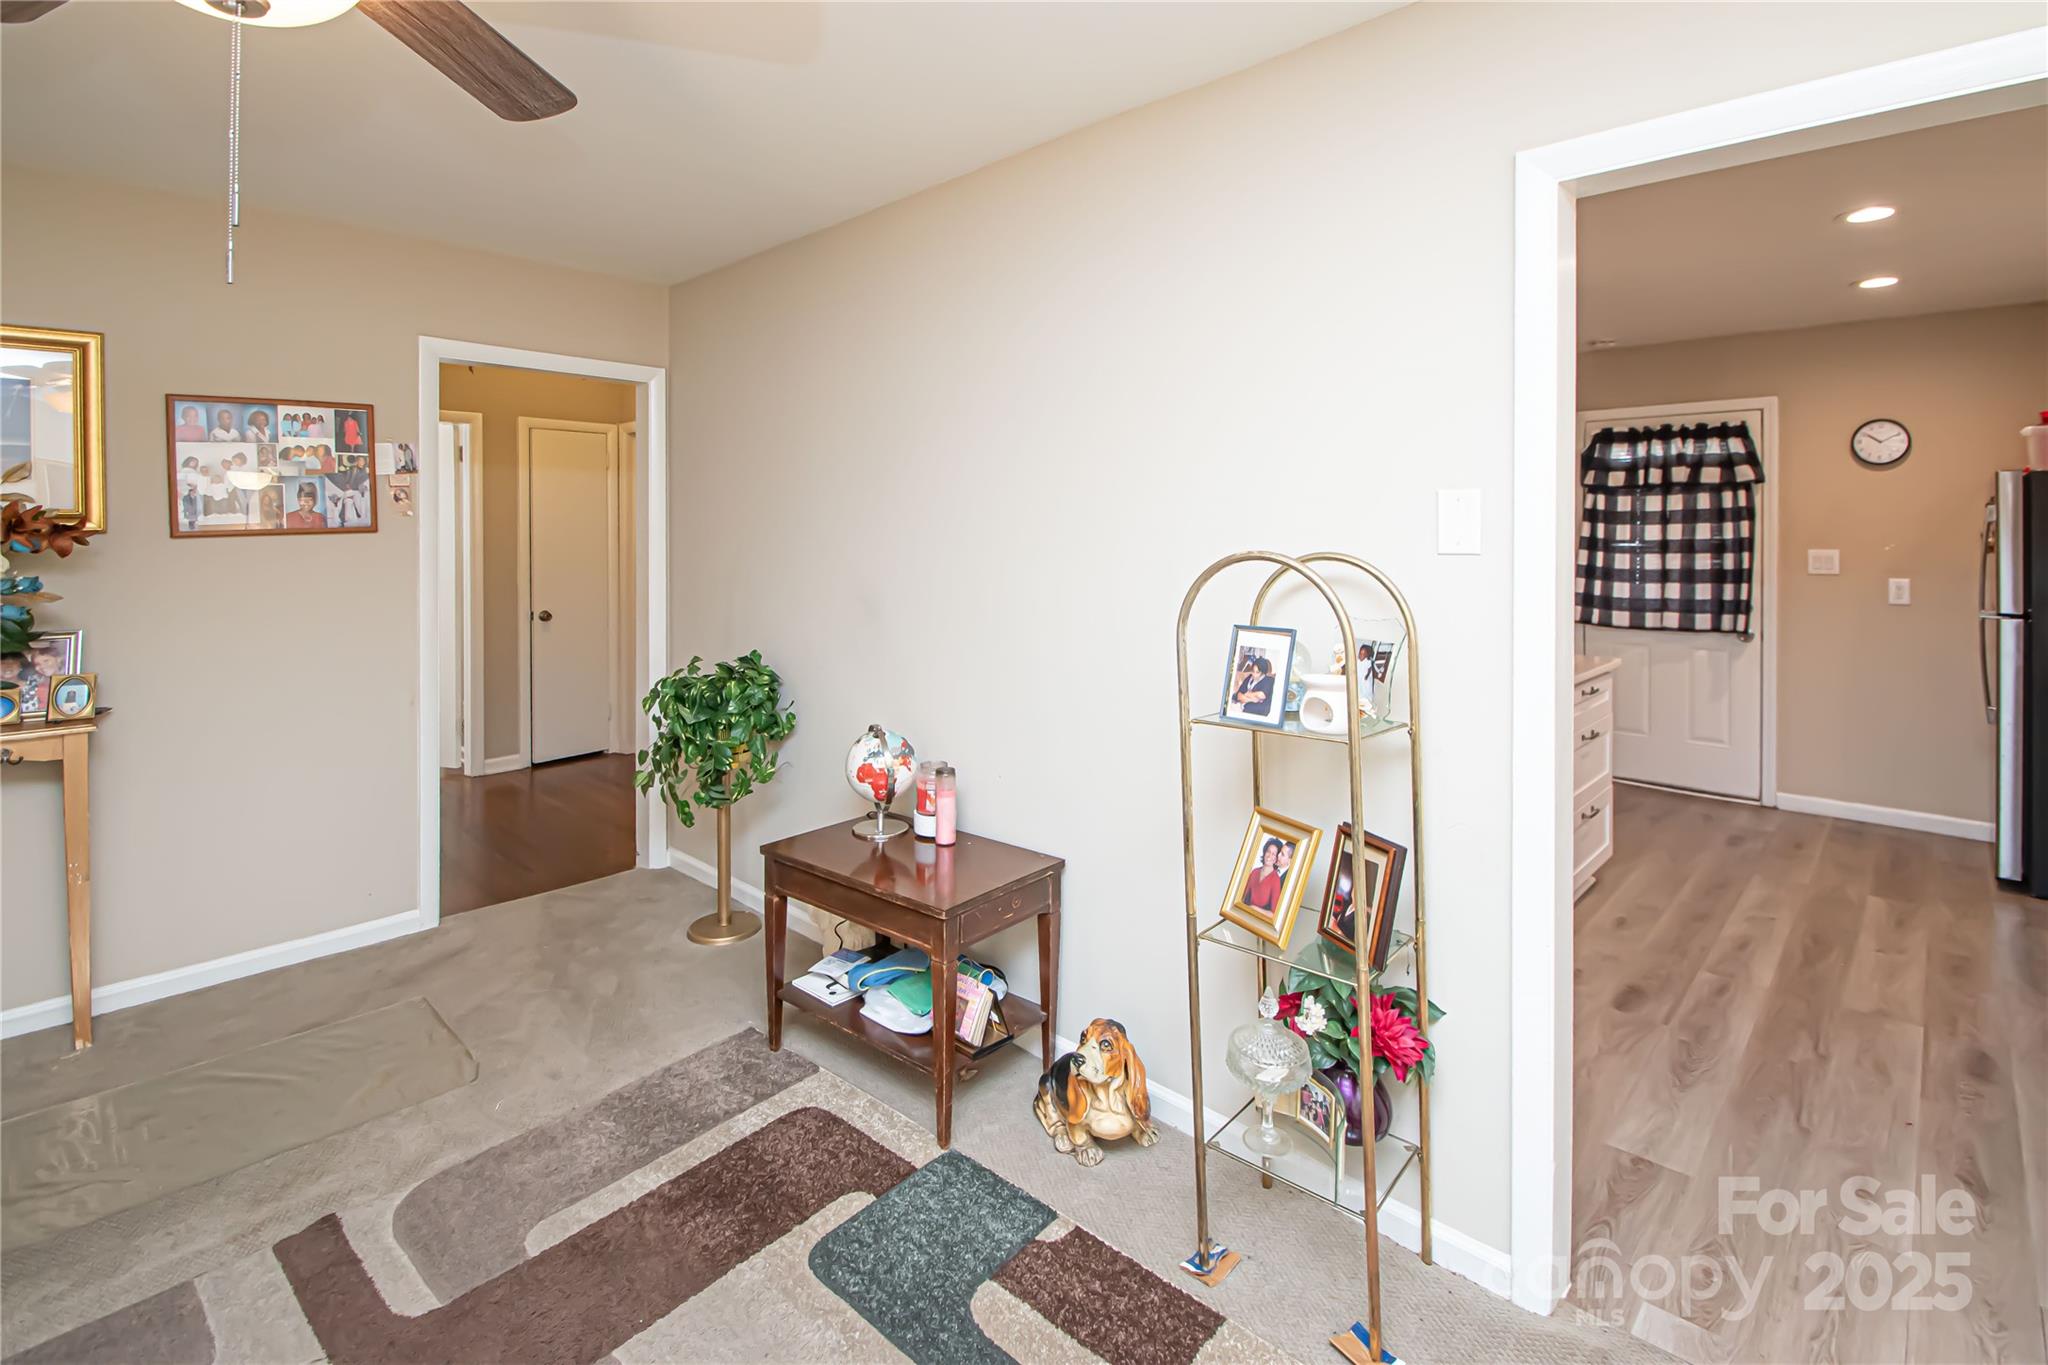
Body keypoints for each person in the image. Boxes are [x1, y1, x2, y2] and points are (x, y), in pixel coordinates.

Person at [1241, 837, 1287, 913]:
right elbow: (1243, 898)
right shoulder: (1254, 872)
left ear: (1276, 858)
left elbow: (1273, 914)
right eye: (1268, 851)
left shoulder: (1276, 880)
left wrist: (1253, 908)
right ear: (1264, 852)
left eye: (1273, 854)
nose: (1269, 856)